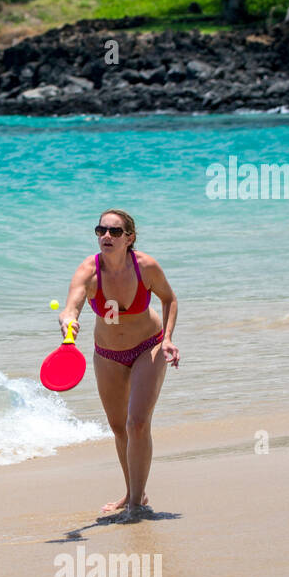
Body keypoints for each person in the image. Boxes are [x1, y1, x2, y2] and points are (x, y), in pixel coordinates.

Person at [56, 209, 180, 522]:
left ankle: (137, 505)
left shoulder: (145, 267)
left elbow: (169, 299)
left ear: (130, 237)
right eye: (101, 231)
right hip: (107, 353)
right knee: (118, 427)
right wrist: (68, 321)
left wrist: (167, 338)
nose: (106, 237)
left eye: (114, 231)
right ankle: (133, 492)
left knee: (136, 423)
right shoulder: (88, 270)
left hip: (146, 347)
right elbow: (71, 306)